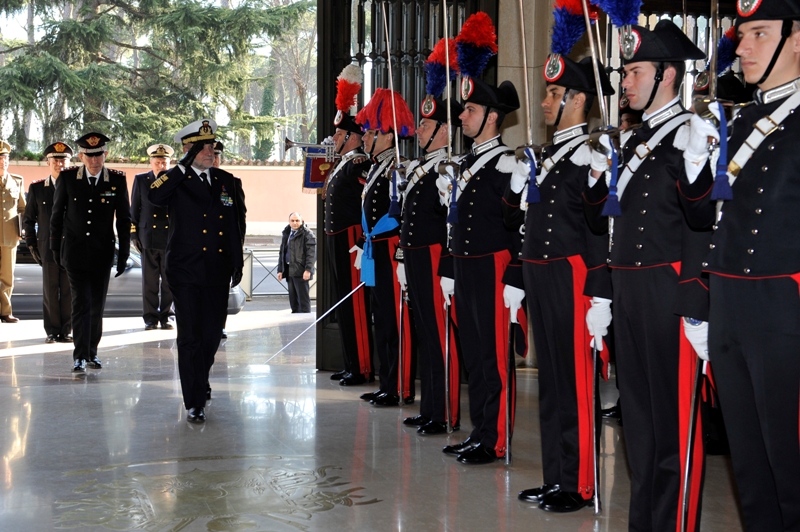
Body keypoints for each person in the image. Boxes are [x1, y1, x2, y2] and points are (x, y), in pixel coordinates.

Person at [583, 20, 710, 531]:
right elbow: (599, 220)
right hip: (630, 291)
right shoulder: (633, 143)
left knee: (676, 426)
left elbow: (705, 224)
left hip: (670, 293)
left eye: (634, 72)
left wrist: (697, 296)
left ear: (668, 75)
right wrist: (595, 173)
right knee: (639, 425)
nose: (625, 83)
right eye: (625, 72)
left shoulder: (691, 133)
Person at [679, 2, 800, 529]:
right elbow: (702, 213)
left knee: (790, 456)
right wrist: (693, 162)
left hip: (784, 305)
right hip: (730, 303)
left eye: (759, 33)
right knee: (749, 462)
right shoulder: (740, 120)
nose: (741, 47)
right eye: (741, 34)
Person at [504, 56, 614, 511]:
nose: (545, 101)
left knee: (574, 382)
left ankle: (580, 482)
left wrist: (601, 290)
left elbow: (600, 230)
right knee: (550, 381)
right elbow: (525, 223)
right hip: (540, 272)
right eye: (548, 93)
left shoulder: (594, 154)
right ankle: (556, 476)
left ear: (578, 99)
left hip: (572, 276)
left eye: (554, 94)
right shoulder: (546, 157)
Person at [439, 74, 525, 465]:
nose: (462, 116)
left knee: (494, 357)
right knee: (474, 355)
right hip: (466, 265)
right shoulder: (464, 163)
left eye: (470, 110)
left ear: (492, 117)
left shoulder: (508, 162)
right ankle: (479, 432)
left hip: (493, 265)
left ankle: (496, 440)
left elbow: (519, 224)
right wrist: (449, 266)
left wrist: (516, 275)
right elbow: (453, 223)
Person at [148, 119, 243, 424]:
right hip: (185, 269)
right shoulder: (175, 181)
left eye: (212, 145)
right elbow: (154, 196)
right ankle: (194, 399)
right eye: (202, 146)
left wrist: (237, 262)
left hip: (217, 270)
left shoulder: (228, 181)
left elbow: (236, 226)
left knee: (212, 335)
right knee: (190, 336)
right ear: (187, 149)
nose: (210, 150)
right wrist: (182, 166)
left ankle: (199, 378)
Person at [399, 87, 463, 435]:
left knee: (440, 335)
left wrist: (449, 267)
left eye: (425, 125)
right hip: (414, 255)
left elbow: (452, 224)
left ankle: (446, 411)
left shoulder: (448, 167)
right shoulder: (420, 166)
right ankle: (429, 407)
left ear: (443, 130)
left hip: (434, 256)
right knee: (425, 332)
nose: (418, 131)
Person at [353, 88, 415, 406]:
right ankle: (385, 381)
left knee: (395, 321)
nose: (365, 138)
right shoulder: (378, 166)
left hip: (390, 250)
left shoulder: (397, 169)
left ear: (387, 136)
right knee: (381, 317)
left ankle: (400, 386)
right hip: (374, 249)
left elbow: (402, 213)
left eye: (371, 133)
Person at [50, 132, 131, 372]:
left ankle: (92, 353)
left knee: (97, 305)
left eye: (98, 155)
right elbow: (56, 217)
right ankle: (79, 356)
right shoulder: (67, 178)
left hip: (102, 254)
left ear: (105, 154)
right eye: (89, 156)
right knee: (80, 303)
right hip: (74, 254)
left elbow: (124, 219)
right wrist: (56, 249)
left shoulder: (116, 180)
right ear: (81, 156)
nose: (94, 161)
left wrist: (124, 254)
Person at [323, 64, 374, 387]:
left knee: (355, 305)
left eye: (340, 134)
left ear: (353, 137)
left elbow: (364, 206)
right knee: (343, 301)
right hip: (336, 238)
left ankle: (363, 367)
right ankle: (349, 360)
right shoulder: (343, 162)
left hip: (351, 238)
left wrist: (362, 243)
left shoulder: (359, 162)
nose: (335, 138)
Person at [22, 142, 73, 342]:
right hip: (47, 246)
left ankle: (66, 331)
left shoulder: (76, 187)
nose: (60, 164)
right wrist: (32, 244)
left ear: (70, 162)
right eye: (56, 160)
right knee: (50, 291)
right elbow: (28, 219)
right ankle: (52, 331)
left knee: (68, 291)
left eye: (64, 160)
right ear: (48, 162)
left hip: (70, 246)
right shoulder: (37, 188)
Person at [131, 144, 175, 330]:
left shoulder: (176, 180)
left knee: (168, 280)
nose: (161, 165)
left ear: (169, 162)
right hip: (147, 236)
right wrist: (133, 234)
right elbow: (135, 208)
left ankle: (167, 316)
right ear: (151, 162)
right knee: (149, 281)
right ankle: (150, 317)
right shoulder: (141, 180)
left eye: (164, 162)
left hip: (169, 237)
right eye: (157, 162)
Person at [213, 141, 246, 339]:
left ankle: (219, 325)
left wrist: (237, 256)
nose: (214, 158)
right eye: (211, 153)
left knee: (219, 294)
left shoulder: (231, 182)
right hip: (197, 251)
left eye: (217, 155)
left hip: (222, 250)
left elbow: (239, 222)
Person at [0, 140, 26, 323]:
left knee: (8, 276)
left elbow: (23, 209)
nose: (3, 161)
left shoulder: (17, 181)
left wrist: (21, 228)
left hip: (10, 235)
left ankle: (5, 312)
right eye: (0, 158)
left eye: (6, 157)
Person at [277, 212, 316, 313]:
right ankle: (295, 321)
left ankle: (305, 321)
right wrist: (280, 270)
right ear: (289, 222)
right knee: (293, 300)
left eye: (297, 220)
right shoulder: (286, 232)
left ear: (302, 221)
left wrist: (308, 270)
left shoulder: (307, 234)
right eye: (292, 221)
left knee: (303, 300)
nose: (295, 223)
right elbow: (282, 252)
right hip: (289, 269)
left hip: (301, 271)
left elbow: (311, 255)